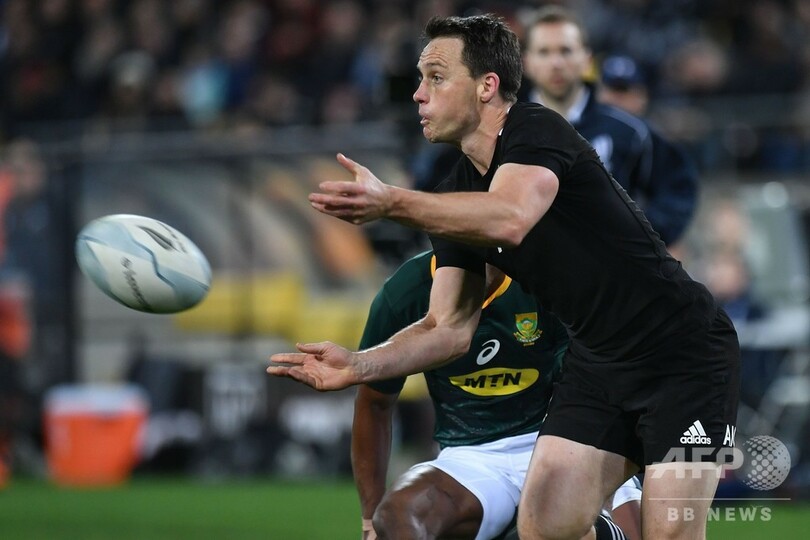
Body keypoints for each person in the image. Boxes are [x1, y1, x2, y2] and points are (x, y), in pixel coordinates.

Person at [268, 13, 740, 540]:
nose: (419, 94)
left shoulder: (536, 128)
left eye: (436, 77)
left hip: (683, 354)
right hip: (599, 365)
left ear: (487, 86)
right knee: (546, 527)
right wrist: (359, 364)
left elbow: (511, 217)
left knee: (671, 533)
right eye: (420, 79)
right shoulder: (454, 197)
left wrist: (392, 202)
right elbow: (447, 329)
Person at [353, 251, 641, 540]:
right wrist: (369, 522)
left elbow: (593, 386)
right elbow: (374, 402)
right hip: (471, 458)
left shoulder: (547, 278)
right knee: (397, 516)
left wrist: (595, 478)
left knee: (633, 529)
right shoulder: (406, 293)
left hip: (561, 438)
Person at [521, 6, 697, 248]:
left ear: (586, 60)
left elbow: (677, 183)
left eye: (565, 50)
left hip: (610, 268)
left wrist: (642, 238)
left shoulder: (627, 130)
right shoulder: (504, 129)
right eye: (544, 52)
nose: (556, 62)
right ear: (526, 62)